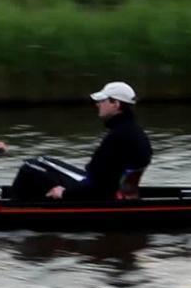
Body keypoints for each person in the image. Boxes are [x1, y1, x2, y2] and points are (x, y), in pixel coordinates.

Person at [11, 81, 153, 201]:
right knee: (42, 162)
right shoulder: (136, 132)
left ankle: (13, 209)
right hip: (112, 191)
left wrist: (64, 193)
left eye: (102, 101)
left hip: (99, 195)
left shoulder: (117, 137)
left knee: (30, 166)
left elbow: (97, 187)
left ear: (115, 104)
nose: (97, 104)